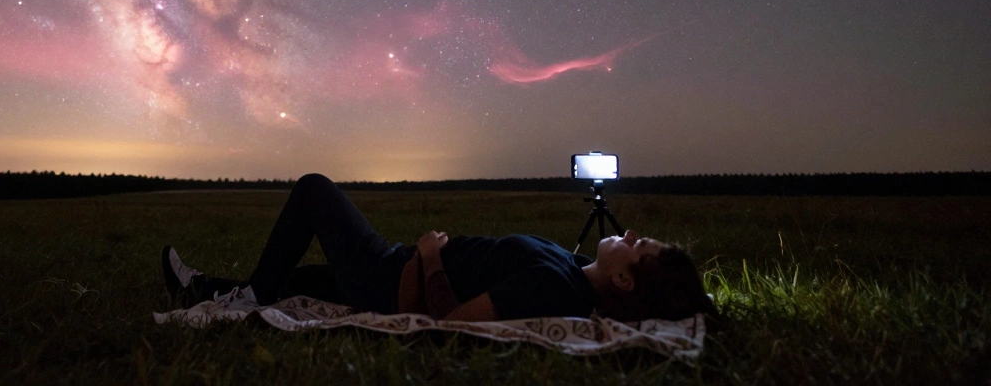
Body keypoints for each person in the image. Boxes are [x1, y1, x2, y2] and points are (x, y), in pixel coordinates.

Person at [161, 173, 716, 322]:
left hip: (388, 276)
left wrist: (429, 256)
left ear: (625, 280)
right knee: (299, 281)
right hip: (392, 270)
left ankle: (250, 295)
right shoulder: (575, 268)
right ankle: (203, 291)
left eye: (641, 247)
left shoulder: (558, 286)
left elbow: (453, 320)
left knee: (314, 190)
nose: (634, 234)